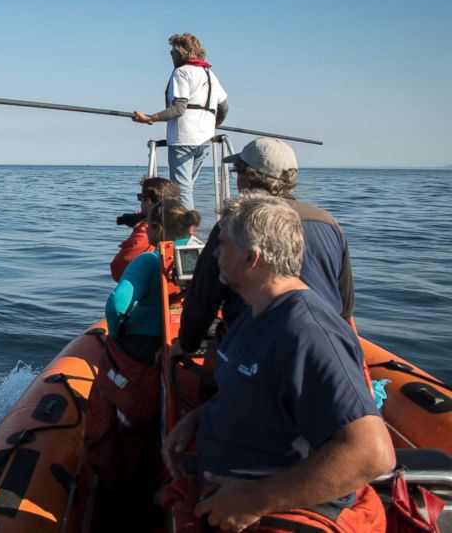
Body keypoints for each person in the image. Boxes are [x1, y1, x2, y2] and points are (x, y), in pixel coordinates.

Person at [161, 194, 394, 532]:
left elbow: (372, 453)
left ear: (250, 258)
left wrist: (252, 500)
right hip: (221, 487)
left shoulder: (307, 332)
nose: (213, 254)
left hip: (265, 512)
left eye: (222, 245)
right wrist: (199, 417)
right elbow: (253, 390)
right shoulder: (253, 313)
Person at [178, 136, 355, 354]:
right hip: (325, 346)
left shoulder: (235, 223)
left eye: (238, 173)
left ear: (248, 177)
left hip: (255, 349)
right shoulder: (329, 223)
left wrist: (188, 344)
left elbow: (203, 298)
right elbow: (344, 305)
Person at [85, 201, 202, 525]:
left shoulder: (149, 260)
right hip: (177, 348)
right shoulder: (202, 255)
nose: (145, 231)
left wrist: (119, 333)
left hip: (137, 350)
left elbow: (117, 303)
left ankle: (115, 493)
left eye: (149, 226)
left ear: (158, 230)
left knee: (113, 417)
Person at [132, 33, 229, 212]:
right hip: (206, 140)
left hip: (184, 138)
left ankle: (184, 232)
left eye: (172, 52)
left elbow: (178, 109)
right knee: (183, 187)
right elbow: (223, 107)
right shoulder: (209, 73)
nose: (170, 55)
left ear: (181, 53)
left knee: (182, 189)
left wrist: (149, 119)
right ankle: (166, 217)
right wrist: (215, 124)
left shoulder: (182, 72)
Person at [110, 177, 179, 281]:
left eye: (142, 198)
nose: (140, 203)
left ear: (149, 201)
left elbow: (119, 269)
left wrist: (141, 226)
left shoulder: (147, 231)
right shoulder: (178, 225)